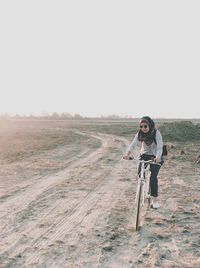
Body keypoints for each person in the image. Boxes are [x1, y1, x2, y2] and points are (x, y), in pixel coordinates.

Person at [123, 116, 164, 209]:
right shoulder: (139, 134)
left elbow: (160, 147)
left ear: (150, 125)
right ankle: (143, 187)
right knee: (140, 173)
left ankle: (155, 200)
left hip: (155, 156)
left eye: (145, 126)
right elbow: (133, 145)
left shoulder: (156, 133)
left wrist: (158, 157)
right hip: (144, 155)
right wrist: (127, 153)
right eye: (141, 126)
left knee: (153, 177)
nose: (143, 128)